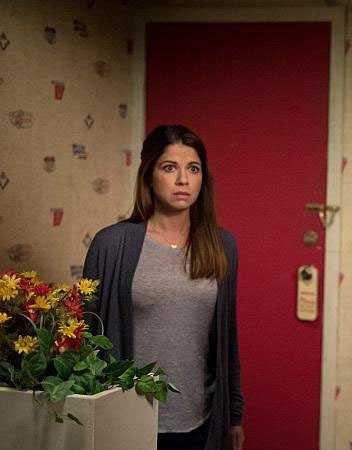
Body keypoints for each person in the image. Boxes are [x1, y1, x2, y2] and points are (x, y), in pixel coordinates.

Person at [83, 125, 244, 450]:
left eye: (193, 169)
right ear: (149, 175)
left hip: (198, 421)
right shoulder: (111, 245)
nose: (183, 179)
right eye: (170, 167)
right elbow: (85, 337)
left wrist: (234, 415)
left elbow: (227, 338)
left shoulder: (222, 246)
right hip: (126, 419)